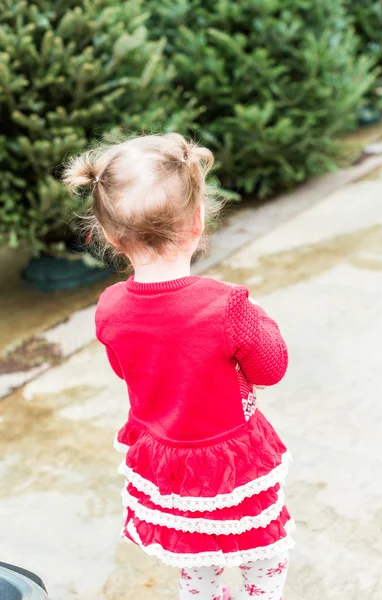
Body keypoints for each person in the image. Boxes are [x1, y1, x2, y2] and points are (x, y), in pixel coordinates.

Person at [63, 134, 294, 600]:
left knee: (196, 559)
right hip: (234, 460)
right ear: (198, 219)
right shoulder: (225, 306)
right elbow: (272, 369)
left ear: (109, 235)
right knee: (263, 552)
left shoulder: (110, 308)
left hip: (167, 461)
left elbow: (127, 371)